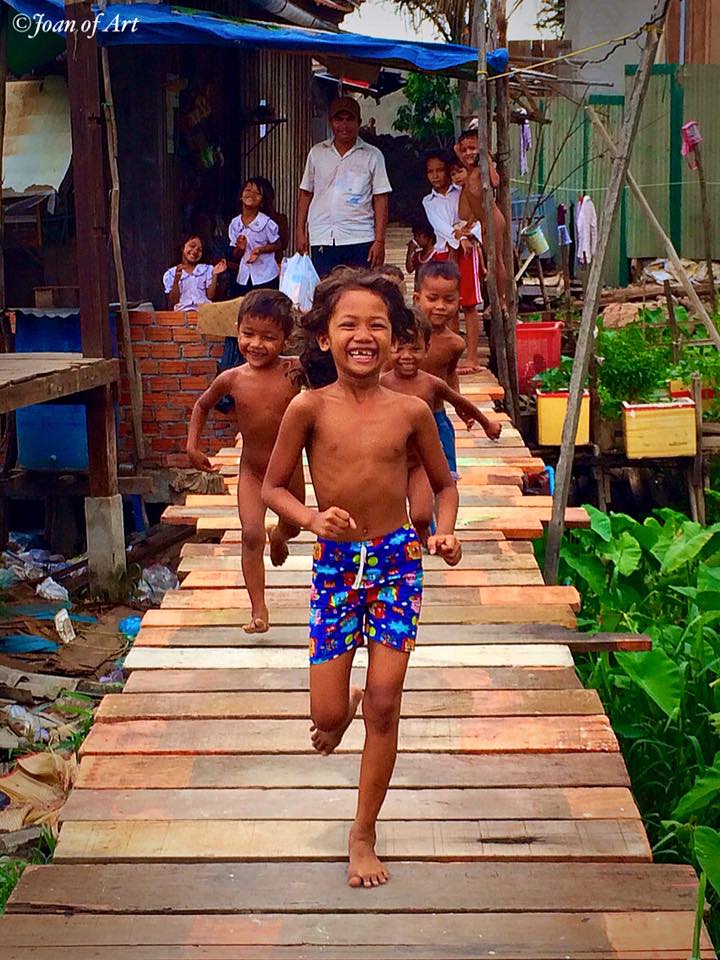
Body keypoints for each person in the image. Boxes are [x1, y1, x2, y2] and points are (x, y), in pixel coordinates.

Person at [262, 272, 460, 888]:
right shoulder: (308, 408)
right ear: (324, 338)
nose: (363, 336)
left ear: (396, 335)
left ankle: (363, 833)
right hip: (335, 566)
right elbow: (272, 487)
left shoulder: (412, 411)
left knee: (385, 702)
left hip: (397, 561)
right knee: (326, 720)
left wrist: (446, 531)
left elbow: (445, 483)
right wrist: (312, 518)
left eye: (377, 324)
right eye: (348, 324)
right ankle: (338, 708)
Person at [186, 289, 304, 634]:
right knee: (251, 535)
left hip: (288, 471)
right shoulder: (232, 378)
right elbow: (202, 406)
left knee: (293, 525)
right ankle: (258, 609)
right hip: (252, 470)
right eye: (248, 334)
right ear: (237, 330)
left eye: (269, 337)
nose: (256, 344)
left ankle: (279, 536)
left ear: (286, 338)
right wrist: (193, 446)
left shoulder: (295, 371)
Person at [381, 309, 501, 541]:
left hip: (420, 462)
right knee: (388, 516)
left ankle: (426, 532)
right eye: (399, 348)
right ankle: (416, 540)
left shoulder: (430, 384)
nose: (406, 355)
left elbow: (460, 401)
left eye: (415, 349)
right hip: (390, 463)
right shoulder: (381, 384)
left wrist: (486, 423)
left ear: (427, 349)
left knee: (421, 514)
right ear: (388, 347)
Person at [296, 97, 392, 278]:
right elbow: (306, 193)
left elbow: (380, 199)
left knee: (358, 291)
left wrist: (379, 240)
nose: (344, 125)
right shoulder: (317, 153)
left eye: (350, 119)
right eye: (339, 120)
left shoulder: (372, 155)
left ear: (359, 123)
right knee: (327, 293)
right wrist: (300, 232)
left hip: (360, 236)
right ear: (330, 122)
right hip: (323, 235)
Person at [421, 150, 483, 372]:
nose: (436, 175)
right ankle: (452, 356)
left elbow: (475, 215)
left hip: (467, 250)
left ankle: (473, 357)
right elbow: (439, 226)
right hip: (443, 250)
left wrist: (467, 236)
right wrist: (458, 237)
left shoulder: (461, 192)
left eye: (440, 170)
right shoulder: (428, 201)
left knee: (469, 304)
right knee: (448, 307)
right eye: (431, 172)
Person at [414, 260, 467, 478]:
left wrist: (460, 404)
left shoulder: (455, 344)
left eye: (448, 300)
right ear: (417, 299)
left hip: (437, 415)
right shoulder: (403, 338)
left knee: (446, 473)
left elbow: (450, 374)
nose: (440, 306)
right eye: (432, 298)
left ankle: (443, 508)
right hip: (404, 413)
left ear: (458, 303)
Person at [454, 128, 508, 317]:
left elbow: (495, 181)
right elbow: (456, 149)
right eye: (465, 149)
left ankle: (500, 300)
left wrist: (487, 159)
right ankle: (494, 300)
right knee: (489, 262)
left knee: (496, 261)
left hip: (493, 220)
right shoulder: (469, 171)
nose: (468, 153)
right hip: (481, 222)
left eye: (472, 148)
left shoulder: (481, 170)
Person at [228, 178, 283, 296]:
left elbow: (278, 244)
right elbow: (235, 254)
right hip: (243, 277)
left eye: (257, 193)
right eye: (248, 190)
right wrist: (240, 249)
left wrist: (260, 250)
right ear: (241, 196)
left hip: (266, 276)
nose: (251, 194)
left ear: (262, 202)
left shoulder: (267, 223)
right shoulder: (235, 223)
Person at [163, 234, 227, 311]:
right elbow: (174, 301)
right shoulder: (171, 273)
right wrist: (176, 280)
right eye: (192, 246)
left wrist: (214, 275)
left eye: (199, 250)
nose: (195, 251)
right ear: (183, 248)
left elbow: (210, 296)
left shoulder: (207, 269)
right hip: (182, 314)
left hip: (203, 312)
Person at [253, 176, 289, 266]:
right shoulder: (241, 221)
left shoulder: (279, 220)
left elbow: (283, 244)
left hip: (272, 268)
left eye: (257, 193)